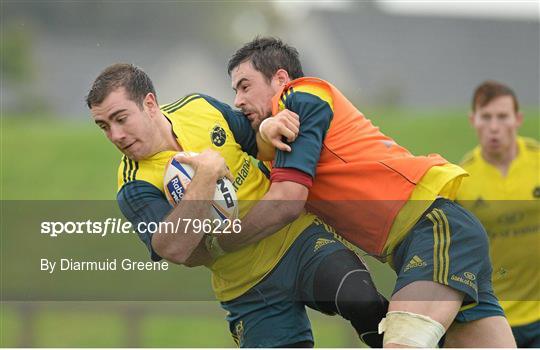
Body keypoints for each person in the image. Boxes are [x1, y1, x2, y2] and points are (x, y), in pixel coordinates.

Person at [218, 37, 517, 347]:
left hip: (435, 229)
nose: (238, 101)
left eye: (245, 86)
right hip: (434, 239)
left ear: (280, 79)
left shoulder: (301, 96)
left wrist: (222, 240)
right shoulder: (281, 134)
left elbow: (287, 201)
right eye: (235, 91)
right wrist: (264, 134)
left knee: (401, 341)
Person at [86, 63, 388, 348]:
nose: (115, 135)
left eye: (120, 118)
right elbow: (175, 249)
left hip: (299, 242)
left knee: (362, 300)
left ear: (149, 104)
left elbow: (257, 144)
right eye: (104, 126)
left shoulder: (199, 107)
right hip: (248, 290)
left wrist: (268, 130)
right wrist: (205, 176)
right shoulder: (133, 185)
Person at [455, 81, 540, 347]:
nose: (494, 127)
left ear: (517, 119)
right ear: (473, 120)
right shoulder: (461, 180)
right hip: (491, 318)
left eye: (502, 117)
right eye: (486, 117)